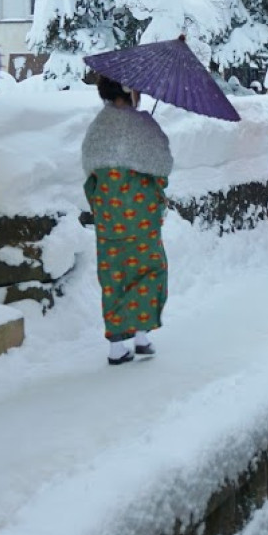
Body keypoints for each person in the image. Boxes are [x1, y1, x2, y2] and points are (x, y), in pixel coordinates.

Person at [82, 75, 174, 366]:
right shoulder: (142, 123)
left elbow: (90, 175)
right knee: (149, 271)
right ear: (127, 90)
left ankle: (117, 345)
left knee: (114, 276)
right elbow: (163, 166)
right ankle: (142, 336)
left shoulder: (97, 126)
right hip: (141, 217)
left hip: (109, 218)